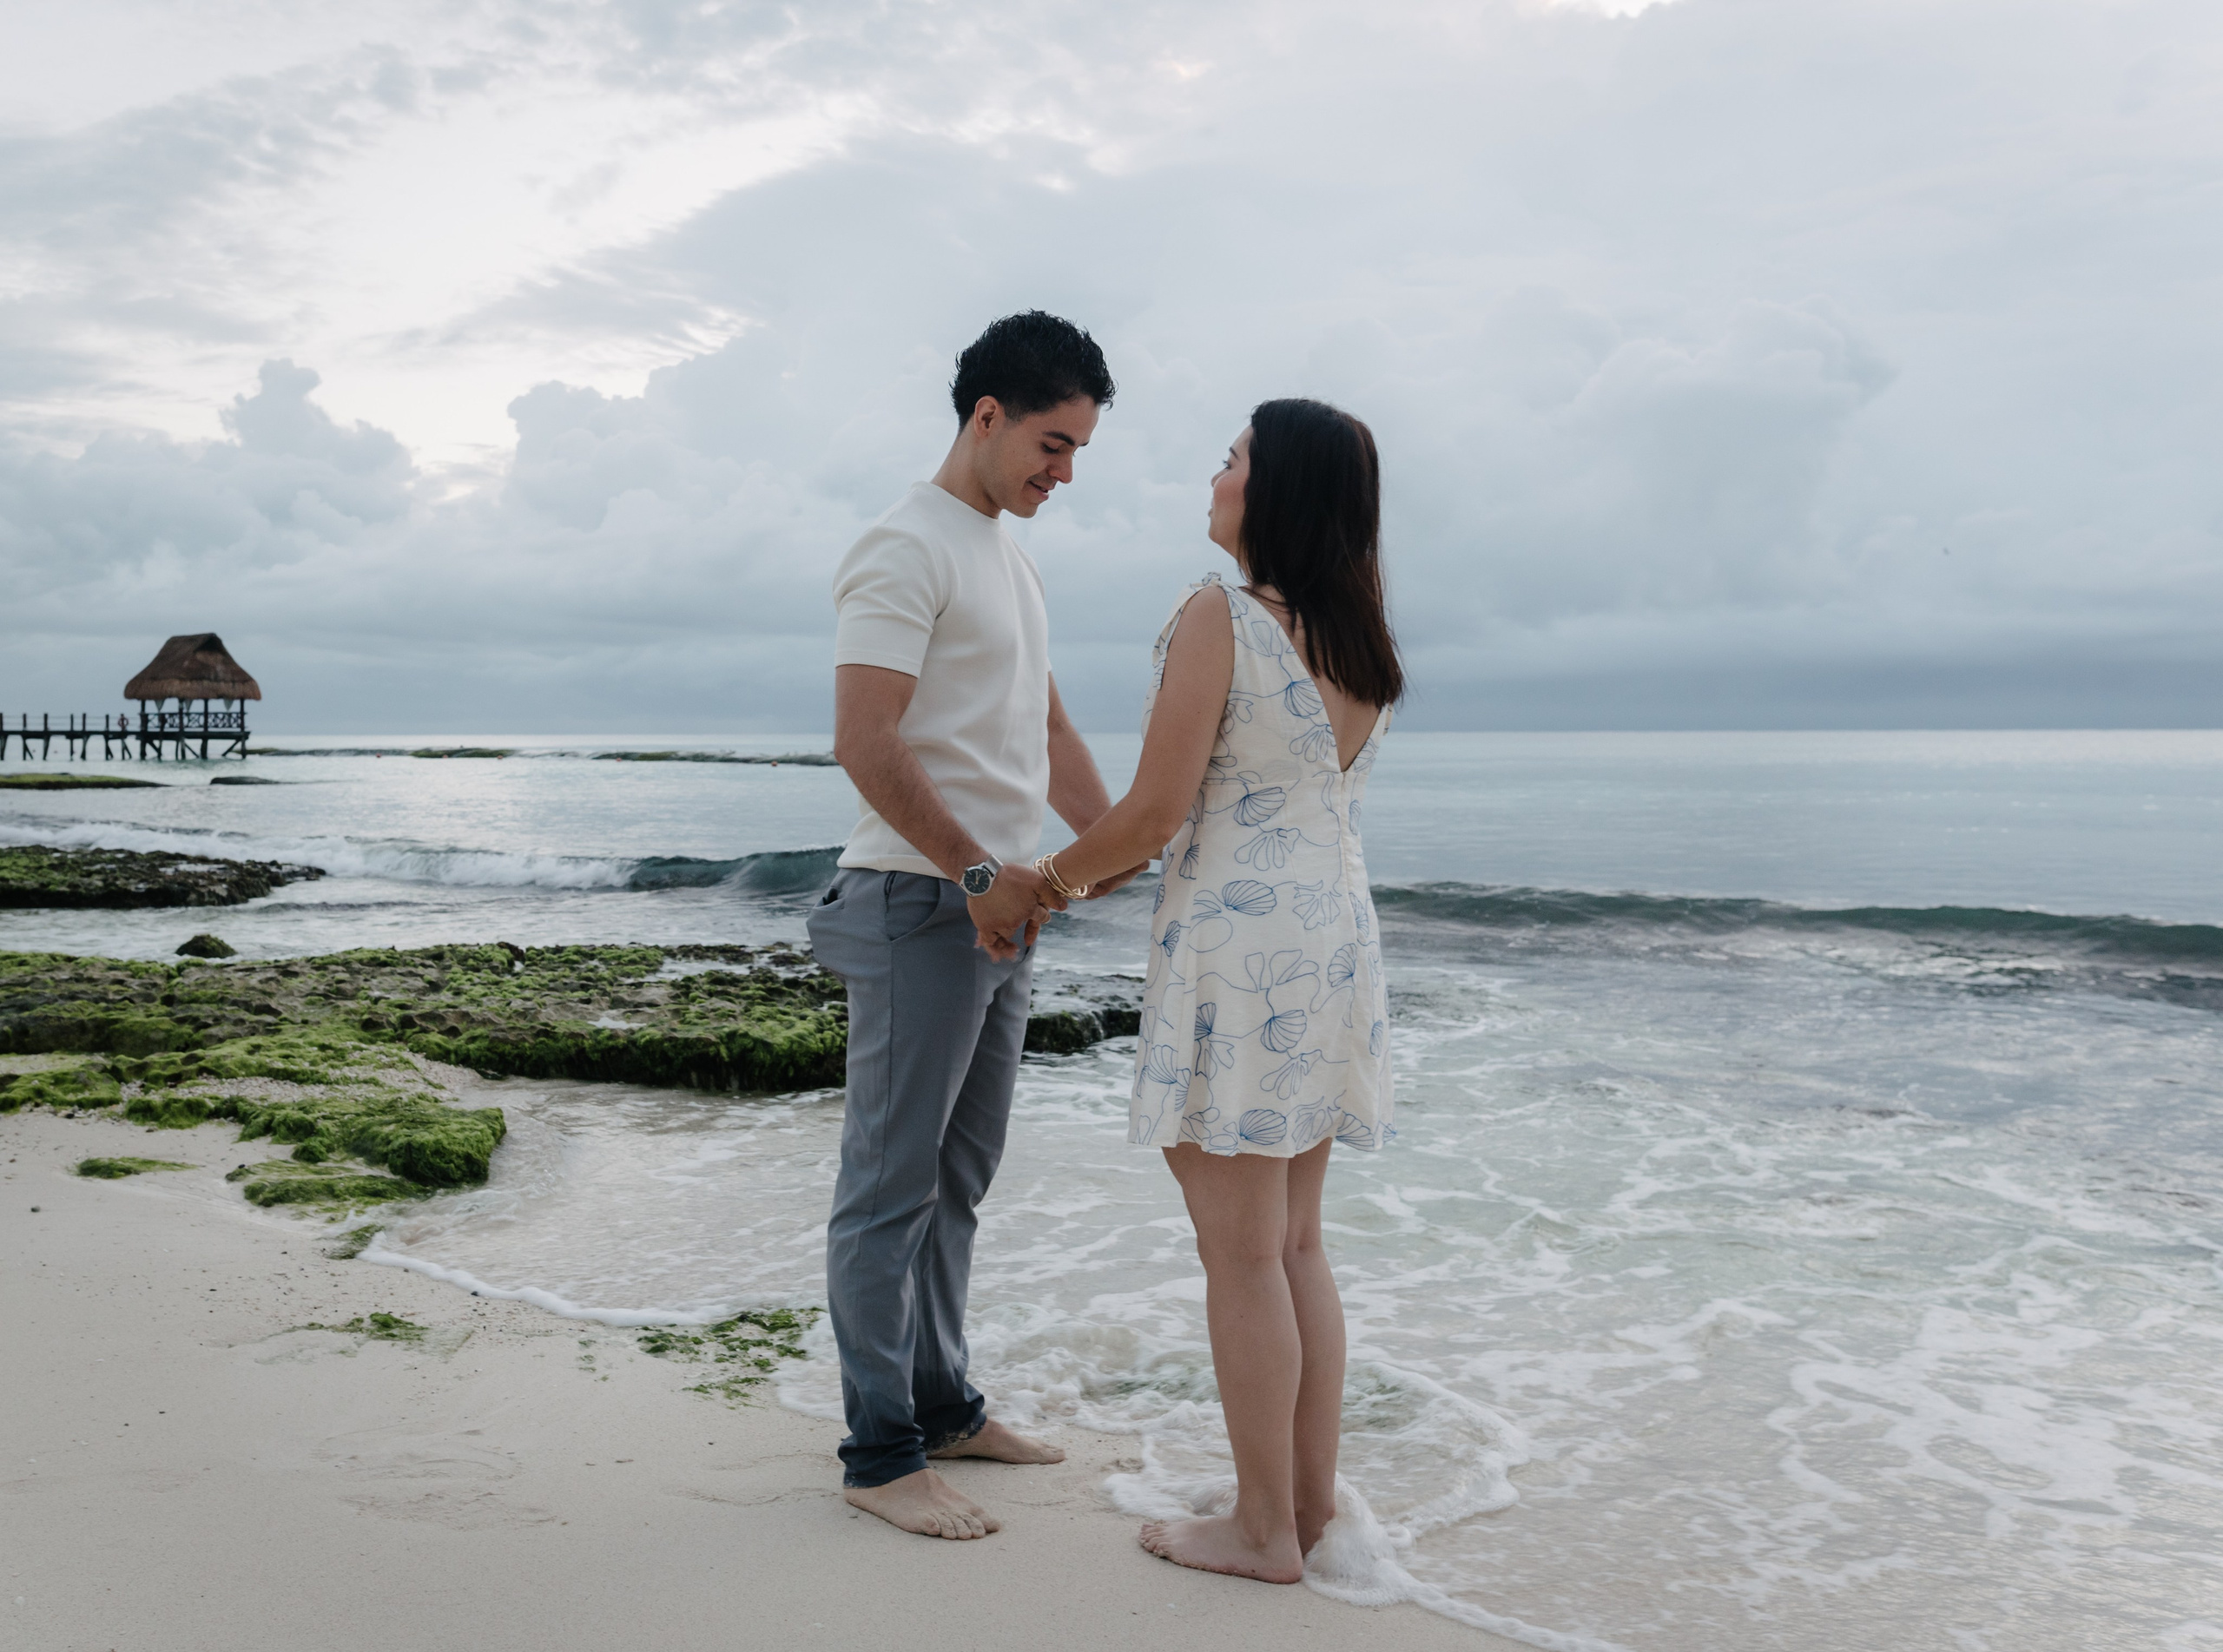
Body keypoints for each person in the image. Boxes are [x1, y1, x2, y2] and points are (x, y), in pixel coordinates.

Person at [1029, 398, 1402, 1583]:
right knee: (1294, 1242)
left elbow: (1149, 816)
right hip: (1332, 939)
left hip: (1240, 953)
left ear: (1276, 487)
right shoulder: (1356, 638)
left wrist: (1033, 889)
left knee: (1242, 1255)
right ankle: (1302, 1503)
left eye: (1235, 455)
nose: (1217, 471)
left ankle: (1260, 1532)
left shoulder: (1222, 616)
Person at [806, 312, 1142, 1542]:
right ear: (987, 416)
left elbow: (1045, 736)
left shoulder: (1009, 555)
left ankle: (944, 1405)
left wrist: (1125, 852)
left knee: (960, 1179)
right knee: (888, 1189)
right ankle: (879, 1453)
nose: (1064, 474)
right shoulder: (904, 548)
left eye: (1079, 453)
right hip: (921, 901)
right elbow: (865, 739)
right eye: (1053, 445)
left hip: (1005, 914)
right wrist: (976, 873)